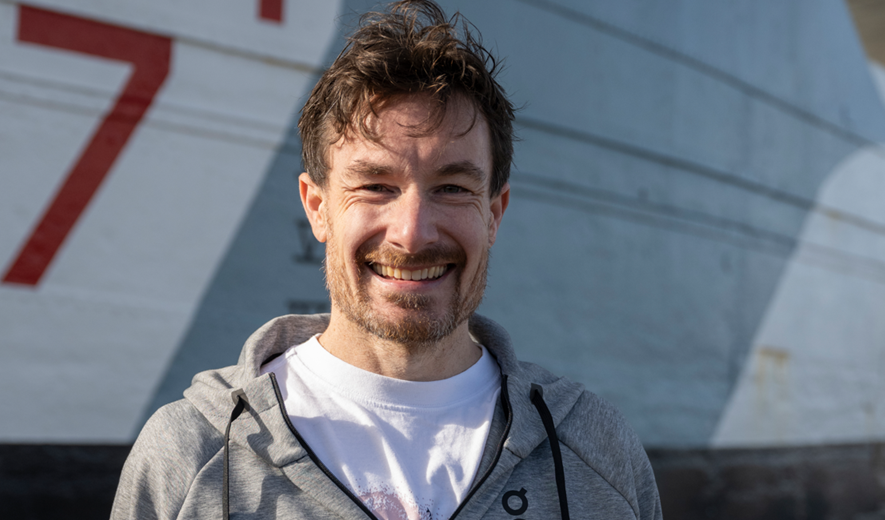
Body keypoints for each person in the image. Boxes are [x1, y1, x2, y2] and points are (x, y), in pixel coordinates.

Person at [111, 1, 662, 519]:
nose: (413, 233)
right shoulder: (189, 456)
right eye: (375, 185)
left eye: (451, 187)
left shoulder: (595, 450)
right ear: (318, 208)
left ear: (494, 213)